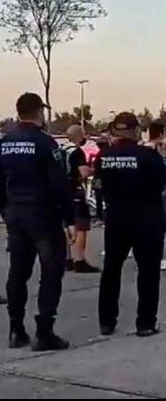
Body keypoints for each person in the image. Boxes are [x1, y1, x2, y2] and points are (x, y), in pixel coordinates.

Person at [1, 93, 72, 351]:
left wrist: (6, 210)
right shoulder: (45, 143)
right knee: (51, 272)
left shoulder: (5, 142)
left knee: (18, 272)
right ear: (39, 112)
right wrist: (70, 217)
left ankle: (15, 330)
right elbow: (58, 183)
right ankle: (44, 331)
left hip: (15, 214)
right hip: (43, 215)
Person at [96, 113, 166, 338]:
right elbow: (164, 182)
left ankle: (107, 321)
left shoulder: (103, 156)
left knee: (111, 270)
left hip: (116, 217)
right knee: (148, 272)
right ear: (136, 131)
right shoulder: (147, 156)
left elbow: (99, 185)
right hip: (146, 218)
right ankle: (145, 323)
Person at [62, 125, 99, 273]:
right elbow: (83, 172)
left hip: (62, 192)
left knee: (66, 226)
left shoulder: (61, 149)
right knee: (81, 226)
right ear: (79, 136)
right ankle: (79, 260)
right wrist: (93, 170)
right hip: (75, 190)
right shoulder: (76, 152)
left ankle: (67, 259)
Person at [144, 122, 166, 273]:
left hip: (149, 194)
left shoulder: (145, 149)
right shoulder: (152, 151)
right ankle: (157, 258)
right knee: (159, 227)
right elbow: (162, 171)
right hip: (153, 195)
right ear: (161, 134)